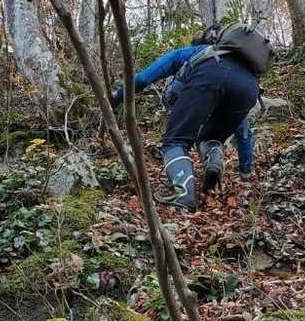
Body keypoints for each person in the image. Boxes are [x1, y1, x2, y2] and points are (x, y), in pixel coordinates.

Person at [110, 25, 266, 210]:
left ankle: (184, 195)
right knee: (212, 137)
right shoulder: (246, 70)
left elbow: (144, 79)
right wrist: (245, 170)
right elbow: (244, 131)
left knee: (175, 141)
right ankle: (213, 163)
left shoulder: (195, 52)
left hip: (208, 76)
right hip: (250, 89)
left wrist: (117, 97)